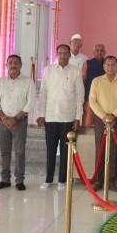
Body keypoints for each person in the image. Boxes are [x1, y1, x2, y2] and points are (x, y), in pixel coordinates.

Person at [37, 44, 84, 190]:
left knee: (65, 150)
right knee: (50, 149)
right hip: (51, 116)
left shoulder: (76, 72)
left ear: (70, 55)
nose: (62, 55)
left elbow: (80, 96)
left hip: (68, 117)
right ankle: (48, 179)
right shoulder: (49, 70)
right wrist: (41, 114)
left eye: (65, 53)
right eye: (60, 53)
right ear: (56, 54)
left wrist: (78, 117)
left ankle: (62, 180)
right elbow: (43, 93)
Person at [0, 55, 36, 191]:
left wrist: (15, 119)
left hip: (20, 122)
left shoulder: (28, 82)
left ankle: (19, 180)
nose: (13, 65)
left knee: (19, 152)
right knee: (4, 152)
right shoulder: (1, 82)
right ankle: (5, 179)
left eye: (16, 62)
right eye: (10, 62)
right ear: (6, 65)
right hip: (3, 122)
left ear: (21, 65)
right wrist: (5, 118)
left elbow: (30, 103)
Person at [89, 56, 117, 192]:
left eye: (113, 65)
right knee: (100, 150)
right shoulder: (97, 81)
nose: (110, 67)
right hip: (101, 120)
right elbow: (92, 101)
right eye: (107, 65)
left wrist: (113, 115)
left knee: (114, 151)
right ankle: (98, 181)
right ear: (104, 66)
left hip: (116, 120)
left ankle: (111, 181)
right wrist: (103, 116)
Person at [82, 44, 106, 126]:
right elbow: (83, 80)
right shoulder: (87, 63)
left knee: (102, 122)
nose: (99, 52)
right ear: (93, 52)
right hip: (89, 96)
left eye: (101, 50)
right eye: (97, 50)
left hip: (104, 98)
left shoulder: (108, 64)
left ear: (105, 52)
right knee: (88, 121)